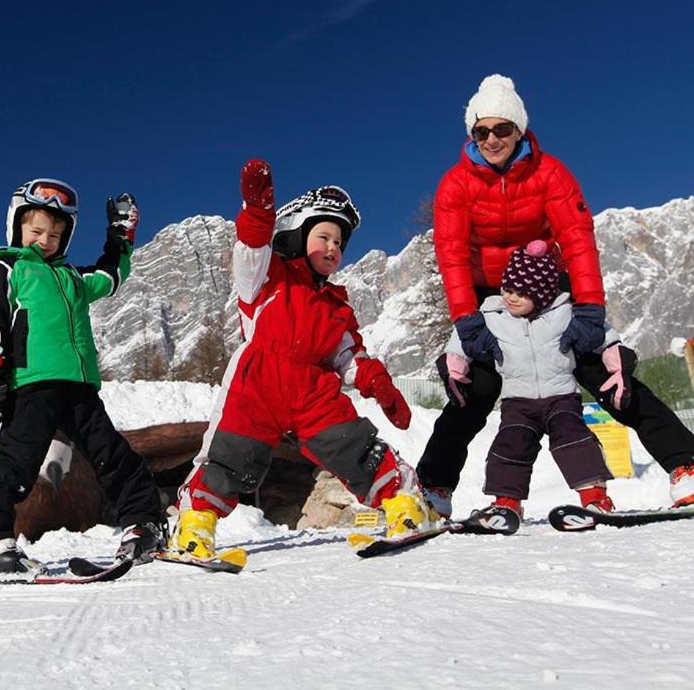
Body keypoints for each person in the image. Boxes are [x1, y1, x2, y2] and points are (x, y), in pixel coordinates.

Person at [419, 74, 694, 517]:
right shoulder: (456, 185)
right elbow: (451, 255)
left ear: (520, 129)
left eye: (502, 129)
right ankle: (434, 487)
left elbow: (578, 239)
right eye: (482, 131)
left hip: (549, 287)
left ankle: (686, 465)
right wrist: (467, 321)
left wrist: (587, 309)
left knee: (602, 372)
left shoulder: (551, 173)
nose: (492, 139)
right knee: (473, 389)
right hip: (491, 294)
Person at [171, 159, 433, 561]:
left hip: (313, 388)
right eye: (324, 236)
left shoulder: (336, 306)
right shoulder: (266, 278)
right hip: (258, 383)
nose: (333, 248)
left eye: (340, 243)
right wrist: (258, 212)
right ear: (295, 233)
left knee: (354, 446)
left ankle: (404, 506)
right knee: (229, 456)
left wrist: (377, 382)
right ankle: (195, 528)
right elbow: (252, 246)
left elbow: (349, 356)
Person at [0, 178, 166, 575]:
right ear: (17, 226)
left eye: (55, 233)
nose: (45, 240)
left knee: (113, 454)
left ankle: (144, 523)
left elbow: (109, 277)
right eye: (36, 230)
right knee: (16, 463)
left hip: (79, 386)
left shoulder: (72, 278)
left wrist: (120, 239)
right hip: (30, 384)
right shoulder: (6, 268)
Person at [443, 240, 627, 523]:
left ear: (540, 295)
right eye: (507, 288)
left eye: (521, 293)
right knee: (510, 444)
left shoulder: (563, 312)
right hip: (517, 400)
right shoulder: (493, 315)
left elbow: (601, 332)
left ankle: (595, 498)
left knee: (573, 438)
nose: (510, 297)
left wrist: (618, 362)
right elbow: (462, 339)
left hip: (561, 396)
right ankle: (506, 503)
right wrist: (454, 366)